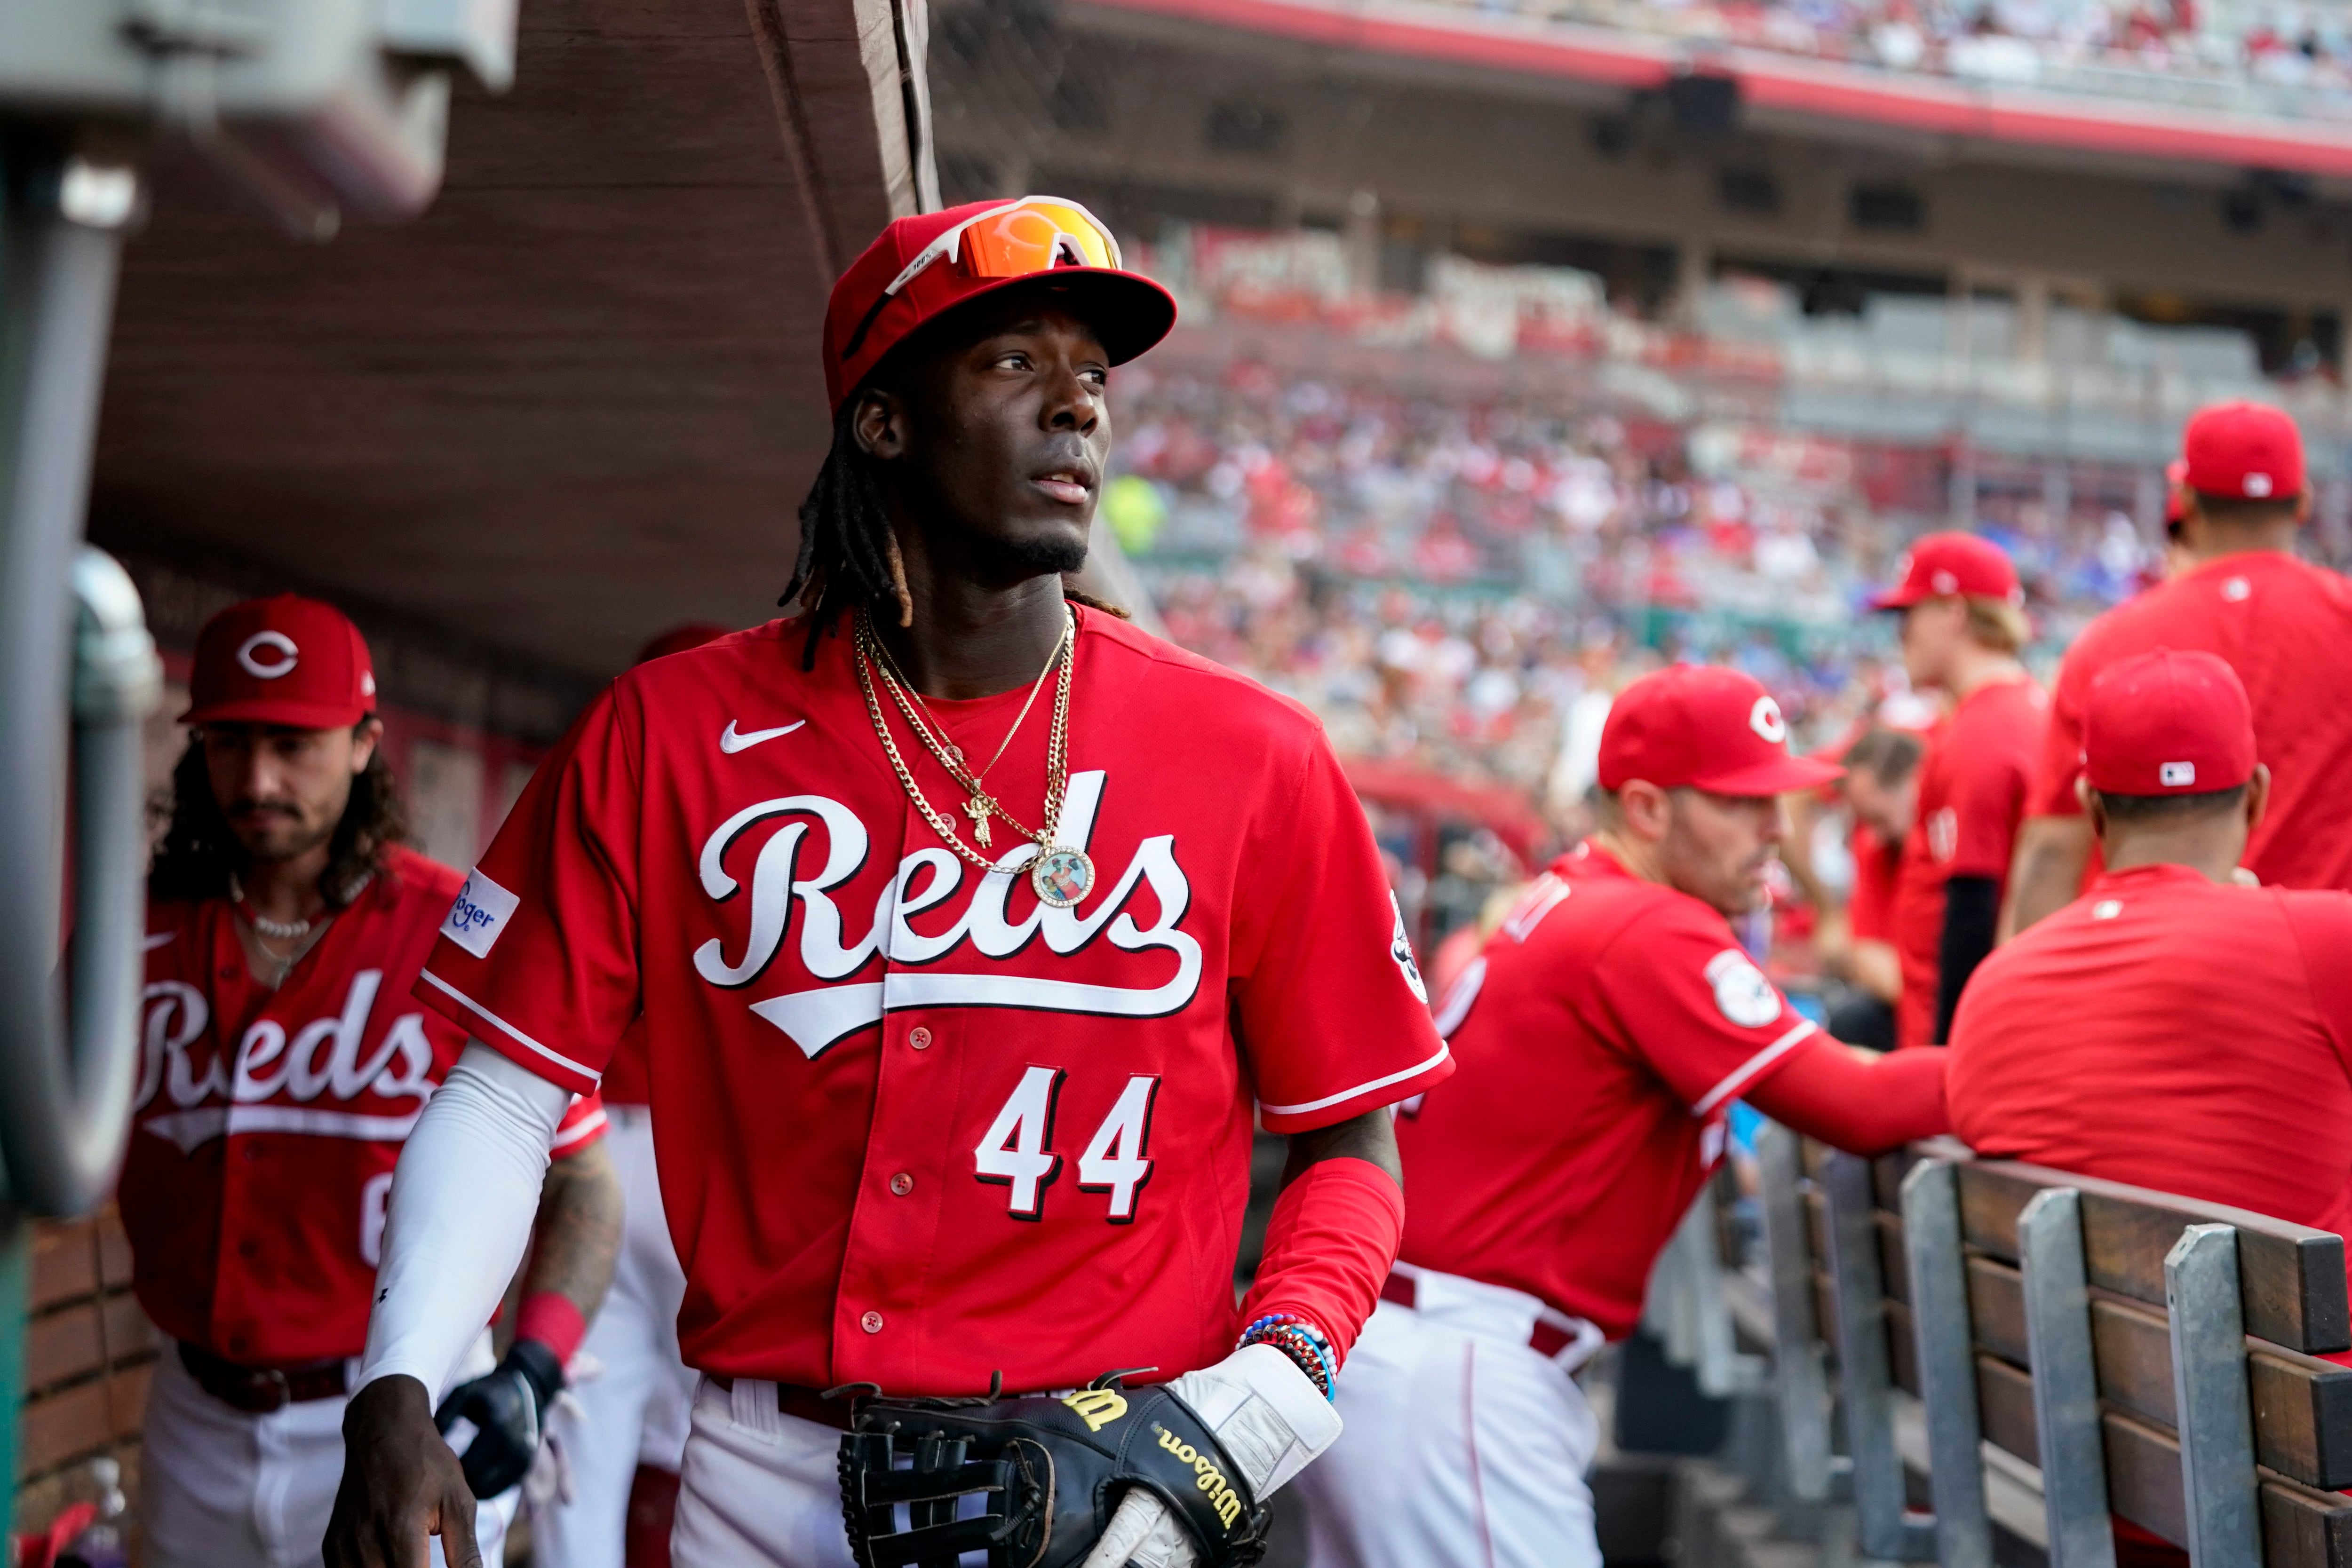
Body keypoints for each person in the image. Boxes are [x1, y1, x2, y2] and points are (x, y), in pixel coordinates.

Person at [325, 196, 1454, 1568]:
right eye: (1010, 364)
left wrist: (1268, 1390)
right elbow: (506, 1090)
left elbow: (1351, 1143)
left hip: (1108, 1490)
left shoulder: (1253, 753)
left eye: (1091, 375)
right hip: (761, 1469)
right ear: (884, 421)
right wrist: (396, 1382)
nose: (1076, 410)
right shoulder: (667, 730)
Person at [1296, 664, 1951, 1568]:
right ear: (1646, 807)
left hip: (1419, 1352)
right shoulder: (1646, 925)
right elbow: (1861, 1105)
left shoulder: (1578, 892)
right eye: (1741, 801)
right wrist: (2041, 1061)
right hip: (1459, 1371)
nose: (1777, 828)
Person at [127, 595, 621, 1568]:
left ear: (363, 743)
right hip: (194, 1413)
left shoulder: (457, 930)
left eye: (294, 743)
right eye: (229, 742)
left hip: (403, 1408)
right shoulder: (131, 935)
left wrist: (533, 1368)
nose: (258, 778)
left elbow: (585, 1180)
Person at [1949, 646, 2352, 1247]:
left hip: (2065, 1340)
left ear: (2091, 806)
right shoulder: (2325, 939)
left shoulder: (1992, 985)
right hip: (2300, 1345)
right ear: (2256, 797)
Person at [531, 623, 731, 1568]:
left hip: (591, 1137)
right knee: (732, 1432)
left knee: (589, 1424)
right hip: (717, 1156)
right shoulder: (783, 816)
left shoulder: (608, 792)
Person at [2006, 401, 2352, 934]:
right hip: (2329, 979)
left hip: (2152, 980)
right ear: (2303, 503)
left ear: (2185, 499)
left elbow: (2053, 850)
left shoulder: (2109, 641)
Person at [1872, 534, 2045, 1045]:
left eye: (1909, 615)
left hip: (1958, 1033)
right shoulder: (2019, 708)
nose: (1900, 635)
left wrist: (1951, 1063)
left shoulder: (1983, 728)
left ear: (1953, 613)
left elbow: (1972, 911)